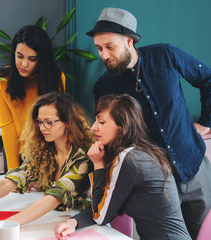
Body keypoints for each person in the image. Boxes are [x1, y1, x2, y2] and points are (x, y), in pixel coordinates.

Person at [85, 8, 211, 239]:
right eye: (99, 48)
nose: (104, 55)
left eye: (109, 47)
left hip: (194, 166)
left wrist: (206, 122)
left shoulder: (165, 54)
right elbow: (109, 135)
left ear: (128, 41)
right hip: (156, 183)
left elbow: (208, 78)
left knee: (207, 234)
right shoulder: (104, 86)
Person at [0, 92, 94, 226]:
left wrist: (10, 223)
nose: (42, 128)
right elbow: (8, 183)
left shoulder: (83, 156)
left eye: (49, 122)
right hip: (54, 217)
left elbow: (55, 197)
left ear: (67, 123)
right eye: (39, 121)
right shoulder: (45, 150)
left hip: (81, 223)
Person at [54, 94, 191, 240]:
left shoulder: (128, 158)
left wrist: (98, 165)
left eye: (101, 122)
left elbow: (101, 216)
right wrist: (73, 222)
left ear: (122, 126)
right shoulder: (140, 152)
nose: (93, 127)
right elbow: (106, 205)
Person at [0, 25, 66, 170]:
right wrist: (13, 171)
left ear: (42, 59)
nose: (24, 64)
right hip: (19, 155)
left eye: (32, 59)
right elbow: (8, 128)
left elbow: (57, 125)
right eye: (19, 56)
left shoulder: (56, 78)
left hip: (49, 153)